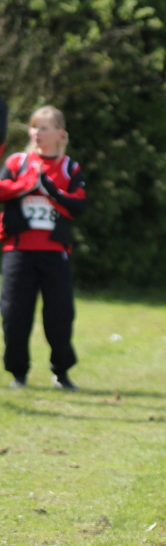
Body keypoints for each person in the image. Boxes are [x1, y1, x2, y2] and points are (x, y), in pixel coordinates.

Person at [0, 106, 86, 390]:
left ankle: (61, 373)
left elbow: (78, 205)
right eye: (34, 127)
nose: (37, 132)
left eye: (44, 128)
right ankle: (18, 374)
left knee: (60, 316)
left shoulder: (69, 167)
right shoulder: (18, 162)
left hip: (55, 255)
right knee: (14, 315)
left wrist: (50, 189)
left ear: (60, 133)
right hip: (18, 252)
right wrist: (27, 184)